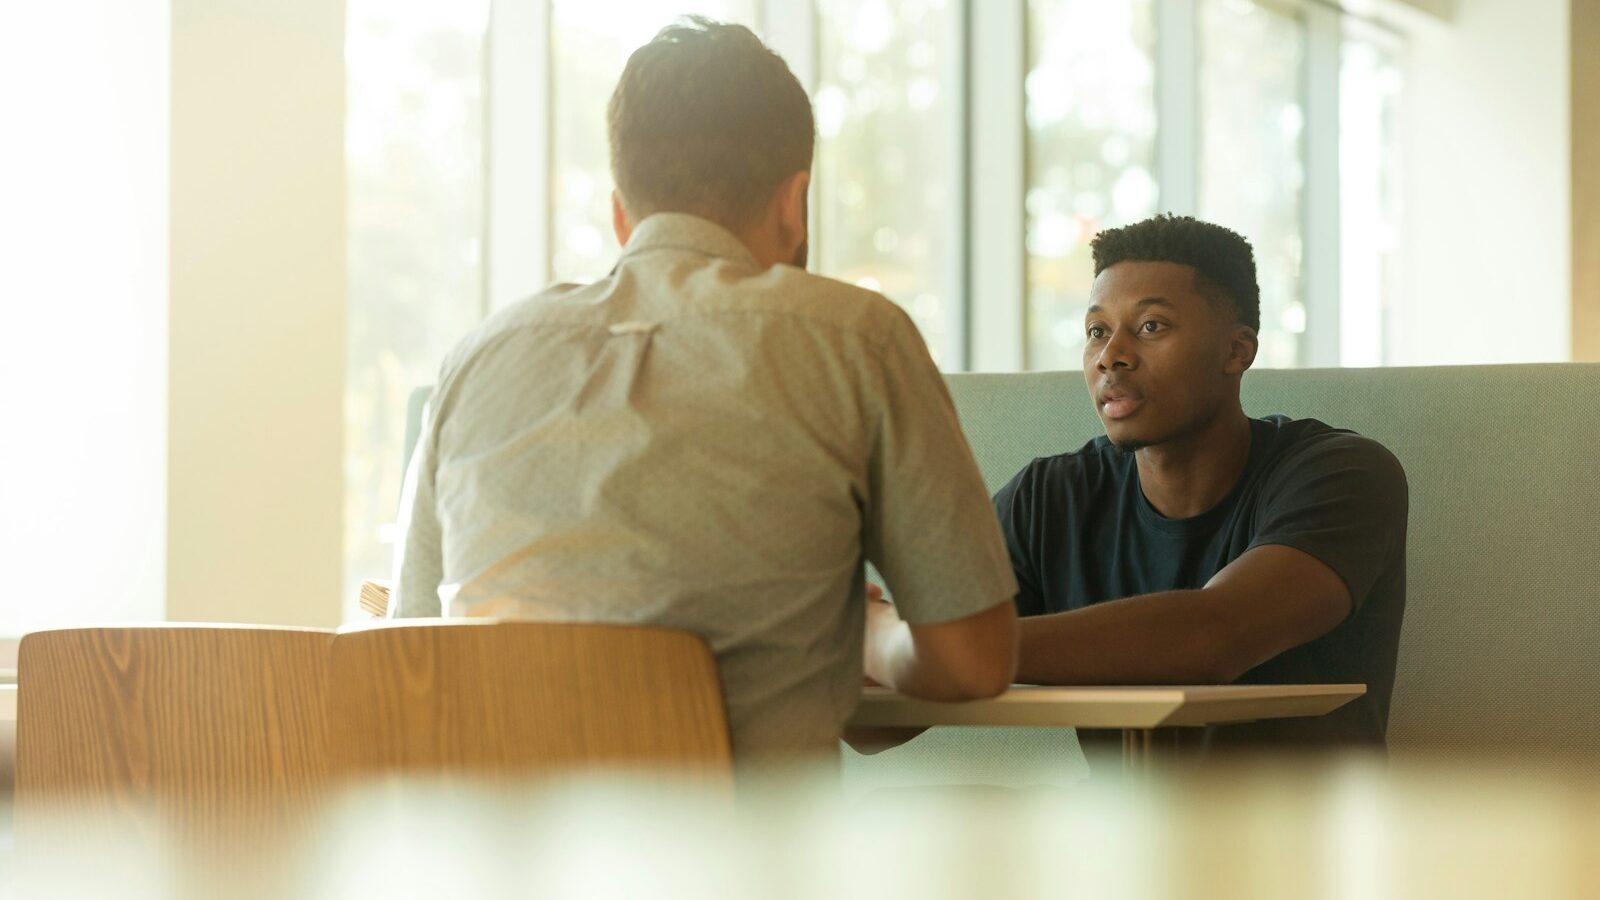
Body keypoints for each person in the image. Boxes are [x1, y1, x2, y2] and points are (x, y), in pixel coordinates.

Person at [389, 18, 1018, 761]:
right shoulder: (857, 339)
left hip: (494, 867)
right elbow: (973, 662)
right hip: (746, 865)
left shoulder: (476, 360)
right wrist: (871, 635)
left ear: (622, 214)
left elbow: (408, 653)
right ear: (796, 203)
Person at [994, 214, 1407, 758]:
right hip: (1119, 837)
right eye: (1097, 331)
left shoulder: (1344, 475)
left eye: (1150, 327)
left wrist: (947, 648)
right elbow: (878, 725)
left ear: (1237, 351)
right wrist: (875, 638)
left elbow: (1213, 638)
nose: (1109, 355)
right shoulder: (1047, 499)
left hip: (1307, 836)